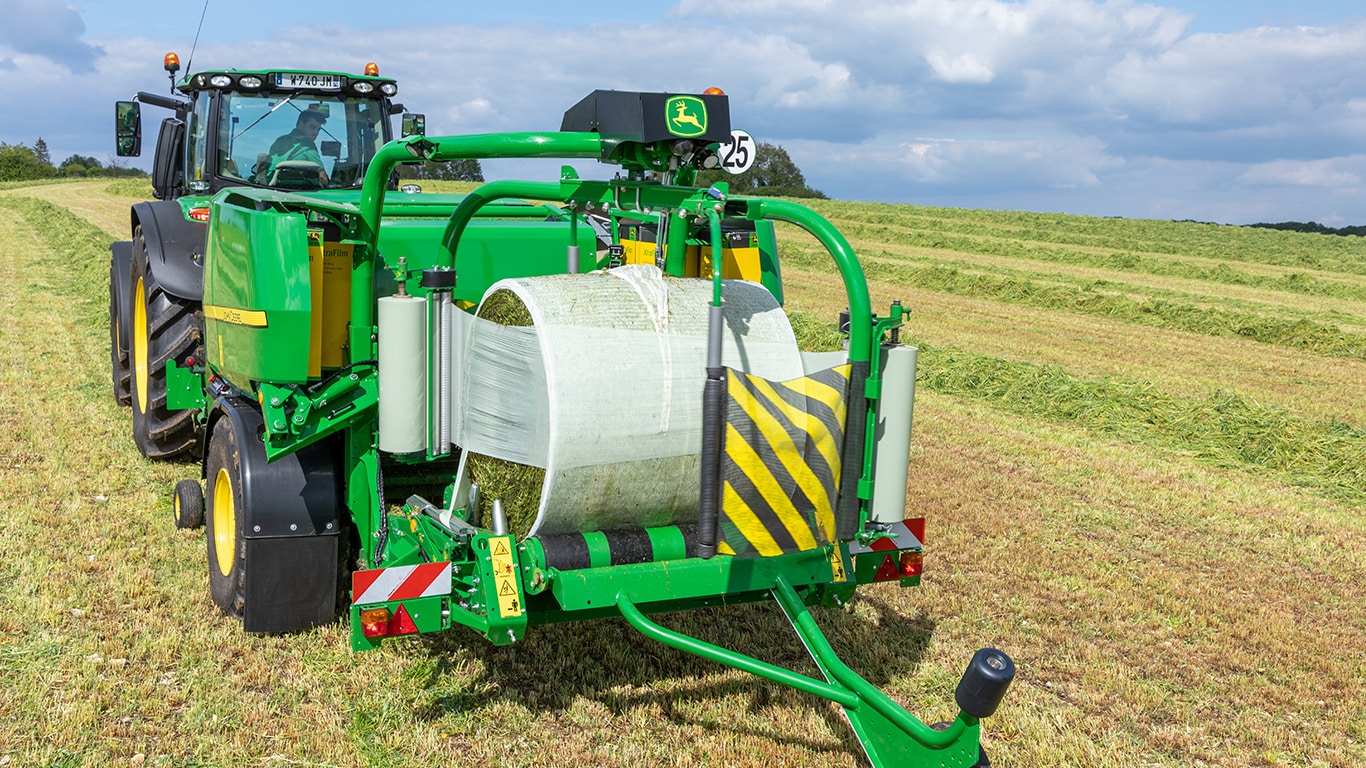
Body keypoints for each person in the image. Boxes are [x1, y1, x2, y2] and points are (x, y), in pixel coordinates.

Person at [265, 105, 330, 185]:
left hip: (268, 186)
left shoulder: (280, 140)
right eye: (312, 127)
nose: (315, 133)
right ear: (300, 125)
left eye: (318, 130)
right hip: (292, 189)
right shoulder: (308, 146)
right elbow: (323, 178)